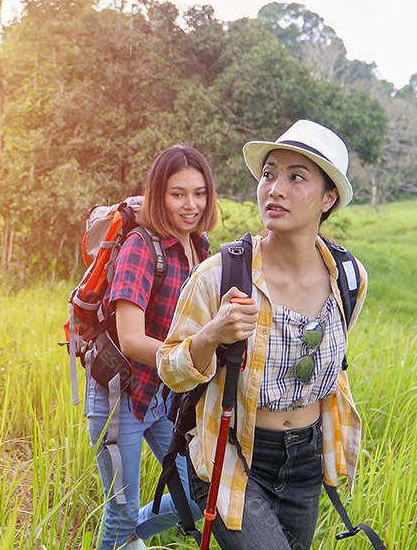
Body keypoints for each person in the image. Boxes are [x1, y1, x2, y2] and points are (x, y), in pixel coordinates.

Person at [157, 120, 369, 549]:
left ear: (328, 198)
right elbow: (169, 368)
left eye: (296, 178)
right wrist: (212, 335)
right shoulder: (220, 275)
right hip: (234, 455)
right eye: (269, 174)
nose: (275, 189)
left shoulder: (348, 278)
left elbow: (335, 367)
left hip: (307, 460)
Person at [87, 145, 219, 549]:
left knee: (195, 497)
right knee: (120, 510)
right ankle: (125, 535)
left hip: (163, 396)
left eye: (199, 193)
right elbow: (130, 339)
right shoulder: (141, 247)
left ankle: (131, 538)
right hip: (119, 397)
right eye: (178, 194)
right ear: (159, 194)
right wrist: (193, 354)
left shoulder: (200, 247)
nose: (190, 205)